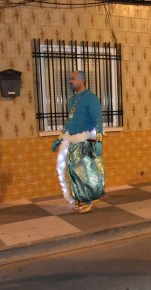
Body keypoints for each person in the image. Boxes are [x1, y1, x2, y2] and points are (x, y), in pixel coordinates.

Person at [52, 71, 105, 214]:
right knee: (74, 172)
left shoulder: (91, 99)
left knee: (84, 173)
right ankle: (83, 198)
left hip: (85, 141)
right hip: (73, 141)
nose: (70, 81)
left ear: (82, 80)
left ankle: (86, 200)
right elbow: (70, 121)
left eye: (73, 79)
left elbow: (98, 120)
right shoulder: (72, 100)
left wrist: (98, 140)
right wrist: (60, 137)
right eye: (70, 79)